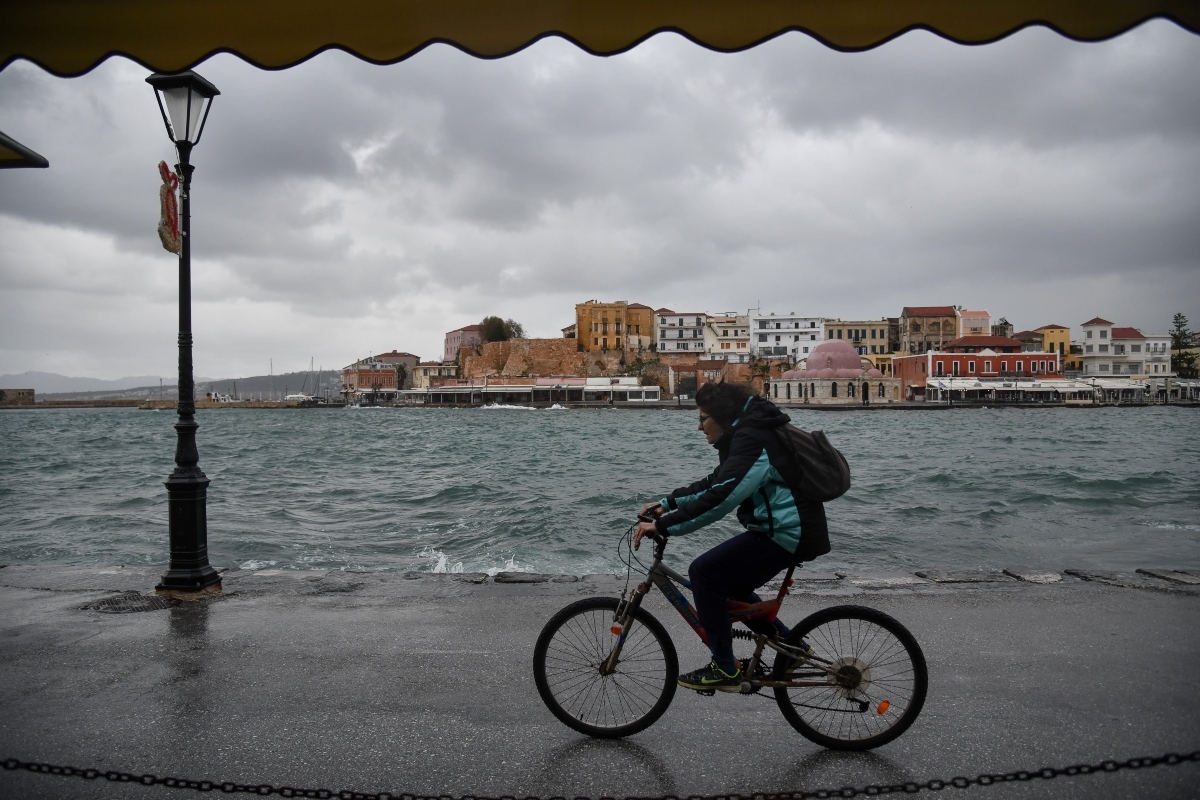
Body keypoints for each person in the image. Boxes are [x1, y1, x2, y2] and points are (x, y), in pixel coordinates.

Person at [634, 380, 830, 690]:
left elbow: (723, 497)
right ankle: (791, 649)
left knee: (704, 573)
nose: (699, 428)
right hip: (784, 529)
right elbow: (717, 481)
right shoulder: (746, 435)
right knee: (729, 588)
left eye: (702, 419)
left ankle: (725, 668)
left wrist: (663, 526)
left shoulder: (754, 439)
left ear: (722, 416)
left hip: (787, 532)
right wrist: (667, 503)